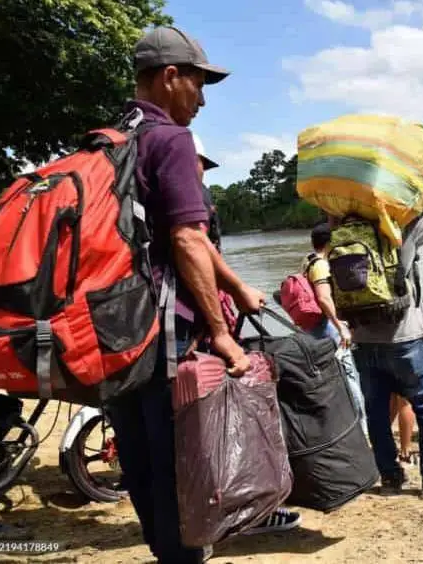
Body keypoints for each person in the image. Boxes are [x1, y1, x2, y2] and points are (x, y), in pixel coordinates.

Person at [106, 27, 296, 563]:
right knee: (182, 471)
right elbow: (188, 237)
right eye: (198, 83)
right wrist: (220, 332)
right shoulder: (171, 141)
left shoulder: (109, 140)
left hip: (114, 335)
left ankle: (167, 553)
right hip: (165, 341)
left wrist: (236, 284)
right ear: (170, 78)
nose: (203, 98)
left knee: (141, 469)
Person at [351, 133, 423, 500]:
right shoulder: (406, 228)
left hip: (363, 340)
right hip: (407, 338)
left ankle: (389, 478)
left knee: (376, 413)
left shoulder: (344, 226)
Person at [302, 223, 367, 436]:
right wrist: (341, 327)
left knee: (329, 377)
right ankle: (362, 427)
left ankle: (338, 424)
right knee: (349, 375)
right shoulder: (321, 264)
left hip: (312, 328)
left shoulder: (307, 260)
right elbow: (323, 297)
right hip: (327, 327)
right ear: (330, 243)